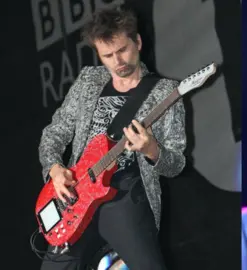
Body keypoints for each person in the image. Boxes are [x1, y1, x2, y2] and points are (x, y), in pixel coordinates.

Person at [38, 7, 186, 270]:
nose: (117, 61)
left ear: (137, 42)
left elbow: (176, 164)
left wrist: (152, 150)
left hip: (126, 196)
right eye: (107, 55)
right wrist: (55, 169)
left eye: (122, 50)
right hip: (77, 194)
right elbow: (54, 133)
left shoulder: (165, 92)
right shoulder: (88, 81)